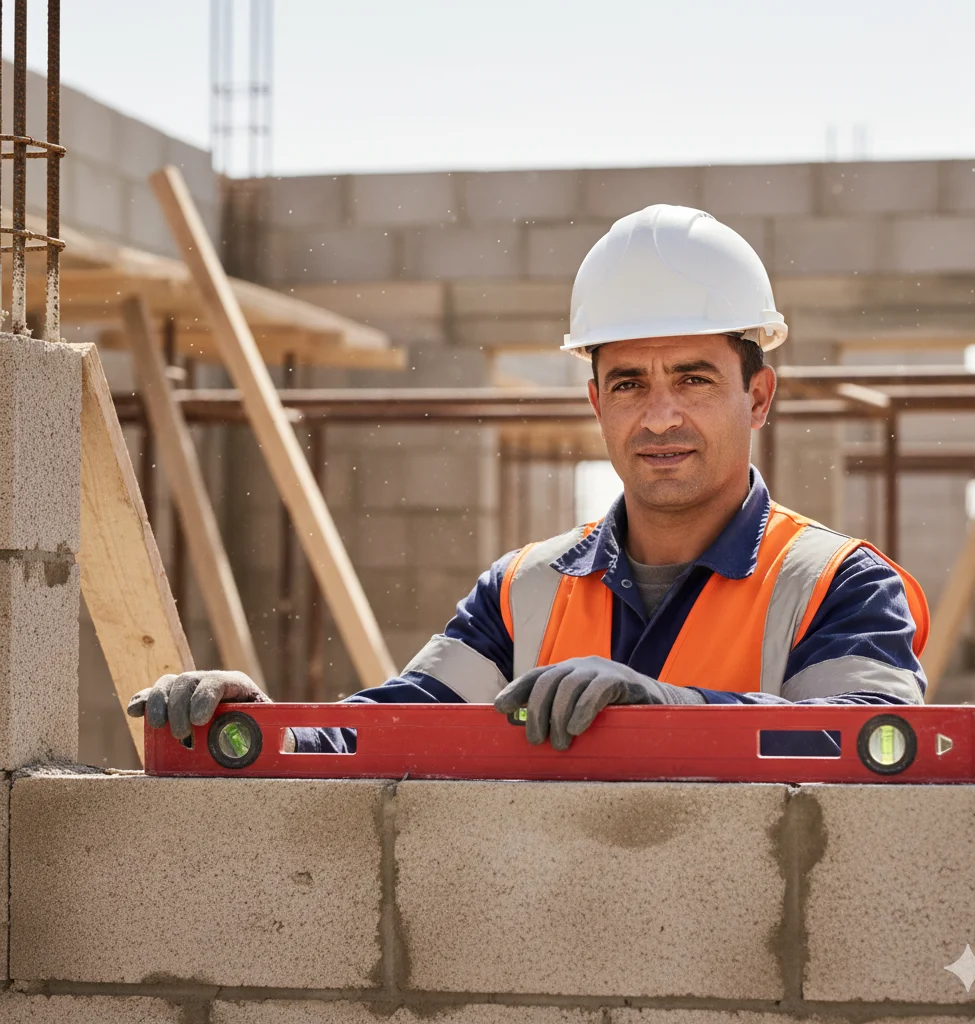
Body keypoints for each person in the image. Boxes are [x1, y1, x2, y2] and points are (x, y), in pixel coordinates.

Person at [129, 204, 929, 755]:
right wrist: (259, 727)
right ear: (595, 401)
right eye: (628, 384)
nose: (657, 419)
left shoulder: (836, 585)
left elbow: (872, 742)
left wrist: (667, 708)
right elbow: (391, 734)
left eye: (692, 380)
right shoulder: (525, 589)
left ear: (757, 397)